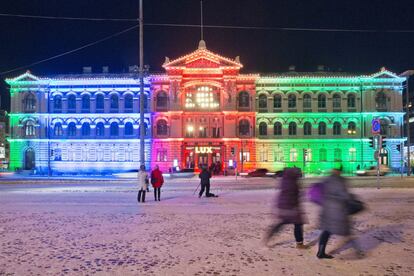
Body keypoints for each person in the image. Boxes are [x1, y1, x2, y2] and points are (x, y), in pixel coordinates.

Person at [317, 166, 362, 259]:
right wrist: (353, 199)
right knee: (347, 231)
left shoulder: (326, 179)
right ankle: (357, 252)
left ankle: (320, 252)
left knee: (326, 230)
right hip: (338, 210)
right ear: (339, 171)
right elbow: (344, 196)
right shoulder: (340, 181)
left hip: (327, 208)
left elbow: (321, 192)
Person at [264, 167, 307, 249]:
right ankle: (299, 244)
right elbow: (293, 195)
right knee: (298, 224)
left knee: (282, 223)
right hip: (290, 207)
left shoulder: (286, 180)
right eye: (299, 174)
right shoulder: (292, 182)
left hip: (283, 206)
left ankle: (269, 236)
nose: (300, 175)